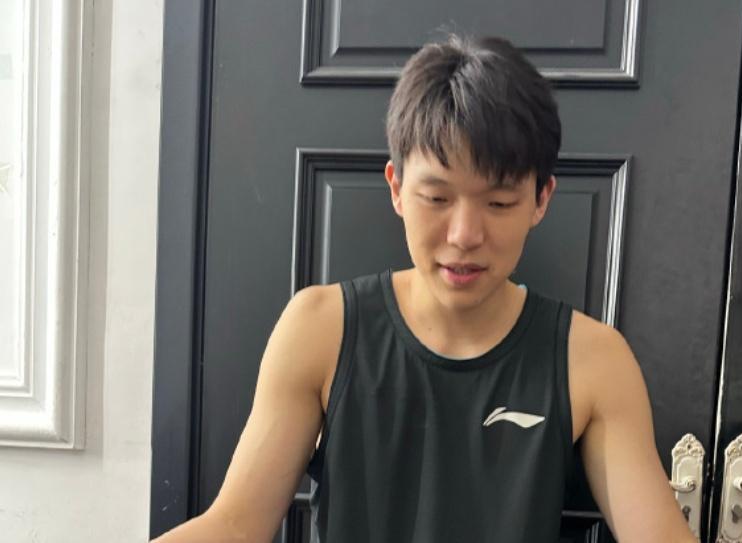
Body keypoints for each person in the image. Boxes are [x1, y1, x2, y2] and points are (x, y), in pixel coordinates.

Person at [153, 34, 697, 543]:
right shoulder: (321, 329)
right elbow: (235, 525)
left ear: (541, 199)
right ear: (396, 187)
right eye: (437, 198)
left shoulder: (592, 361)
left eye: (499, 203)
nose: (464, 235)